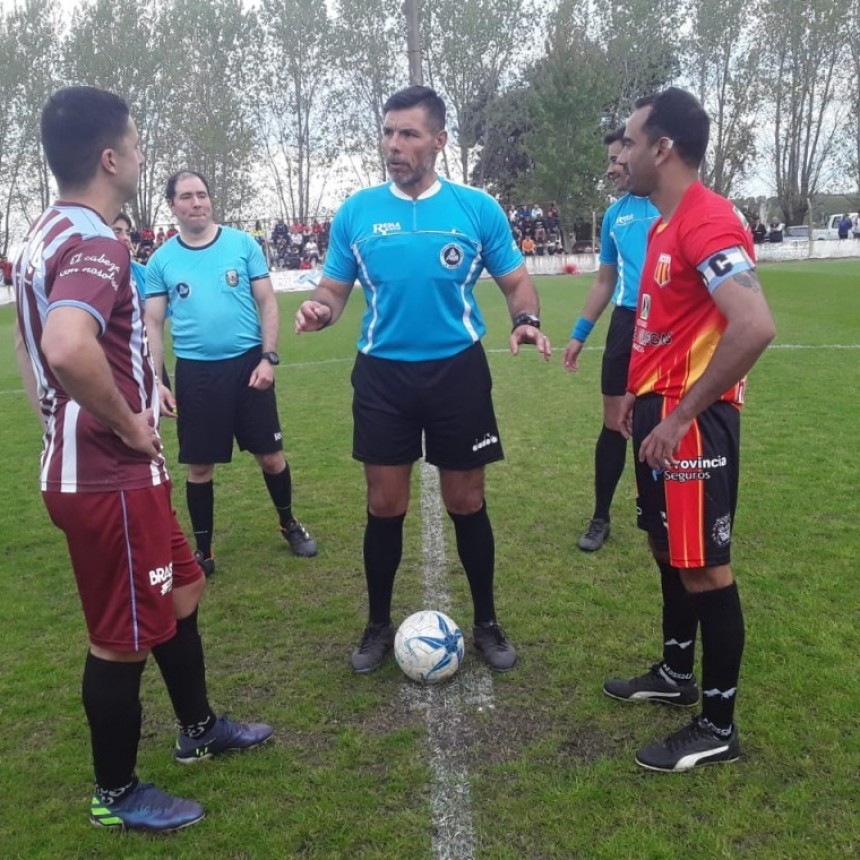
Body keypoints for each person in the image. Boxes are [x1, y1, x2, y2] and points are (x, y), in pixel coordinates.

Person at [13, 86, 273, 834]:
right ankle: (116, 792)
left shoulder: (43, 233)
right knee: (119, 636)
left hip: (114, 470)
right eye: (134, 141)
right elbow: (64, 346)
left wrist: (63, 421)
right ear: (109, 157)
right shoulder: (94, 240)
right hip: (109, 475)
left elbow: (32, 351)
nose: (140, 153)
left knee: (181, 593)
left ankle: (198, 729)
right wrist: (128, 422)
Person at [295, 85, 551, 674]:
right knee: (384, 503)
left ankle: (486, 621)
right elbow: (333, 289)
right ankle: (377, 623)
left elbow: (516, 282)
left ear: (438, 141)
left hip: (457, 372)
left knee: (467, 499)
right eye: (388, 132)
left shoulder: (475, 208)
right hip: (382, 376)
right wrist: (318, 309)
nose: (394, 144)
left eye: (408, 134)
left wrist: (528, 320)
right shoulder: (357, 212)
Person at [607, 87, 775, 772]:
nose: (620, 151)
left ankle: (718, 724)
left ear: (662, 147)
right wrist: (634, 400)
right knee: (666, 549)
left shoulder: (707, 222)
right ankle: (677, 675)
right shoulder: (657, 224)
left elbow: (754, 326)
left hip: (695, 422)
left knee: (705, 568)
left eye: (628, 138)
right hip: (659, 412)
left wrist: (677, 416)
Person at [145, 171, 317, 576]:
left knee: (271, 457)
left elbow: (268, 303)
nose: (197, 203)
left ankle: (288, 522)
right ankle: (203, 551)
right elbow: (153, 324)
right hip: (196, 375)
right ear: (173, 205)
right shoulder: (161, 260)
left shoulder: (242, 245)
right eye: (186, 197)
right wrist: (158, 379)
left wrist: (267, 358)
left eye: (202, 195)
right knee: (200, 467)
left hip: (247, 366)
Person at [563, 127, 658, 552]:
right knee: (613, 425)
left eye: (618, 159)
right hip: (625, 323)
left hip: (671, 326)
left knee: (661, 422)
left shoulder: (673, 207)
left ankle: (667, 511)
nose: (611, 169)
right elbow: (606, 280)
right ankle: (601, 517)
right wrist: (580, 334)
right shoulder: (615, 215)